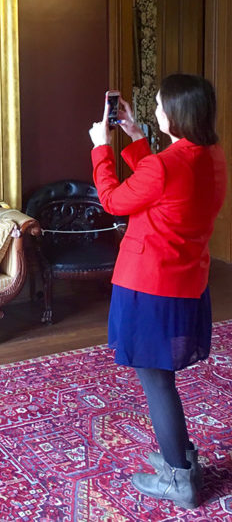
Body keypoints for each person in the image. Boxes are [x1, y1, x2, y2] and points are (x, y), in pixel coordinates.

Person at [88, 74, 227, 510]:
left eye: (161, 106)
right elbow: (160, 180)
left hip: (148, 285)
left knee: (156, 380)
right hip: (185, 282)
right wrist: (133, 137)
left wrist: (100, 147)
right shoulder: (211, 156)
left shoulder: (166, 166)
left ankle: (179, 478)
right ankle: (179, 453)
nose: (156, 113)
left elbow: (112, 199)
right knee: (159, 375)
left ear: (177, 114)